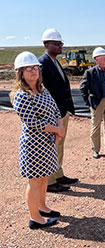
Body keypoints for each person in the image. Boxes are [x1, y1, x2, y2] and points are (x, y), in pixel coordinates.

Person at [10, 52, 64, 229]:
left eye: (35, 68)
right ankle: (35, 218)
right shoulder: (21, 95)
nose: (33, 71)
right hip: (33, 144)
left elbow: (55, 108)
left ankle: (42, 207)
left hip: (47, 142)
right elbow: (32, 122)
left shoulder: (41, 89)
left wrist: (59, 127)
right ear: (21, 73)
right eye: (28, 68)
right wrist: (57, 130)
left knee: (43, 178)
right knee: (35, 181)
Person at [38, 28, 78, 192]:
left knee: (59, 145)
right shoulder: (42, 64)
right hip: (51, 115)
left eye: (61, 43)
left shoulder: (55, 62)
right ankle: (49, 182)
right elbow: (41, 91)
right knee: (51, 146)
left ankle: (58, 173)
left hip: (61, 112)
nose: (61, 46)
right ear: (47, 44)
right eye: (57, 43)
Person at [80, 47, 105, 159]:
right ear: (96, 59)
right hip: (97, 102)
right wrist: (88, 103)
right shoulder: (90, 72)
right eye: (102, 57)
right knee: (96, 126)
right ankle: (95, 150)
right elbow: (83, 88)